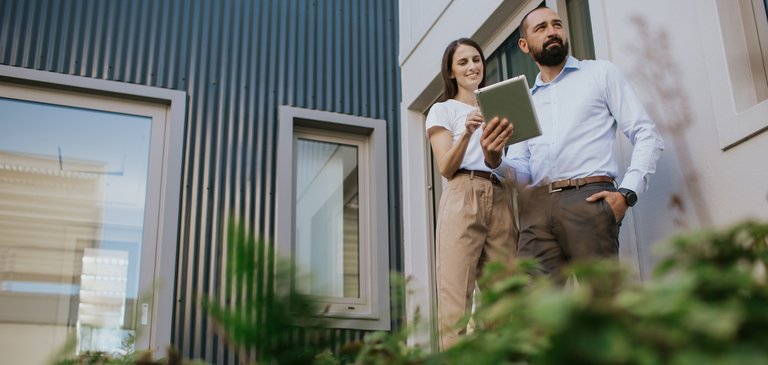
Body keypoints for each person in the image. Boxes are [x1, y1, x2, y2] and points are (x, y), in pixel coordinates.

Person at [481, 6, 664, 280]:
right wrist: (495, 159)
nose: (552, 31)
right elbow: (523, 171)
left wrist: (626, 193)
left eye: (557, 24)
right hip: (537, 212)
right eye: (541, 28)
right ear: (524, 44)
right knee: (534, 312)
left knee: (599, 305)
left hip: (589, 199)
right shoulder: (524, 101)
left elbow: (646, 134)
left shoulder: (600, 73)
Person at [426, 38, 518, 349]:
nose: (472, 67)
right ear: (451, 72)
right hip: (462, 192)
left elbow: (508, 163)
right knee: (456, 299)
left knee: (503, 299)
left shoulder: (499, 105)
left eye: (476, 60)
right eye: (463, 62)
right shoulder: (442, 110)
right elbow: (445, 167)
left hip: (501, 195)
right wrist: (466, 132)